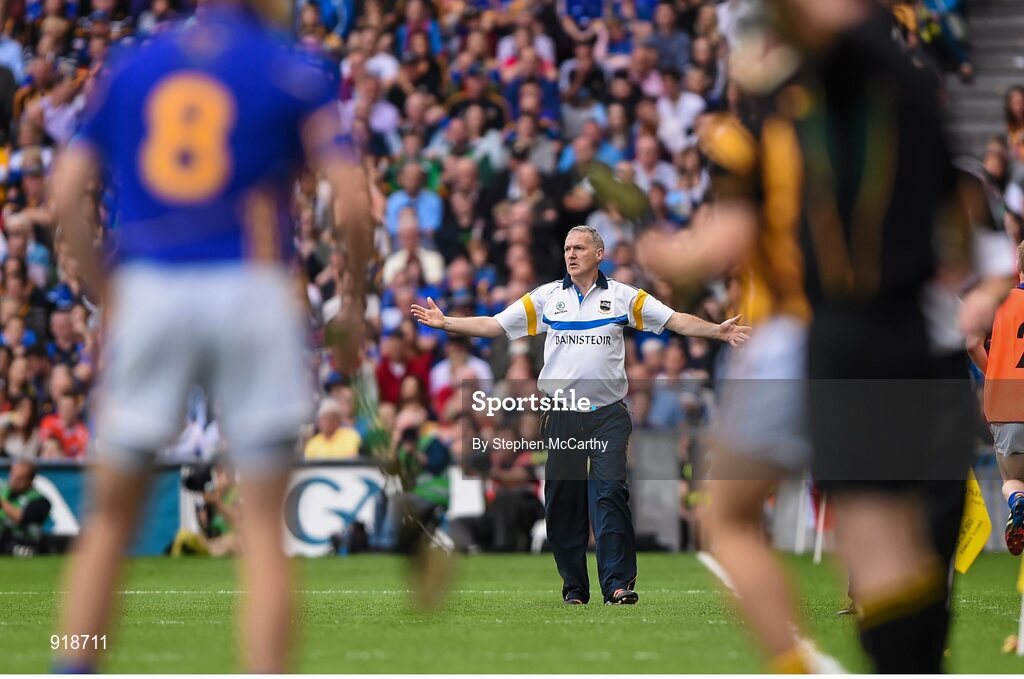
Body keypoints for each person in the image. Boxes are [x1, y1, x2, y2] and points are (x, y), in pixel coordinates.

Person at [49, 0, 373, 672]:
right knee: (260, 527)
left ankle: (74, 663)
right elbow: (352, 196)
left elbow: (68, 186)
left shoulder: (133, 65)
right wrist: (353, 304)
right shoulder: (294, 69)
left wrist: (111, 294)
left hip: (151, 287)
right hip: (252, 289)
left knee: (109, 518)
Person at [412, 225, 749, 605]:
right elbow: (495, 325)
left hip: (608, 415)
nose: (571, 254)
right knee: (562, 502)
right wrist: (447, 323)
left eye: (579, 248)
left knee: (609, 495)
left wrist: (717, 333)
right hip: (562, 415)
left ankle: (617, 584)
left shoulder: (624, 297)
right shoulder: (546, 298)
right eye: (567, 248)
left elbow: (674, 320)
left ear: (599, 253)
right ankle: (574, 587)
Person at [968, 240, 1024, 555]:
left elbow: (972, 341)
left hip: (1008, 405)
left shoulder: (1001, 302)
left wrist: (994, 374)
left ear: (1018, 268)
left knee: (1013, 480)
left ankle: (1017, 500)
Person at [0, 459, 51, 554]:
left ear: (30, 480)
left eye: (20, 478)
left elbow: (23, 518)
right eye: (13, 475)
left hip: (22, 543)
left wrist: (2, 503)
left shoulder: (40, 501)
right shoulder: (2, 490)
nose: (14, 480)